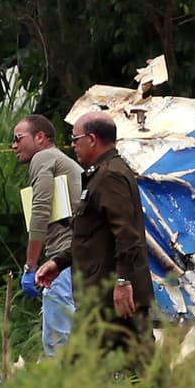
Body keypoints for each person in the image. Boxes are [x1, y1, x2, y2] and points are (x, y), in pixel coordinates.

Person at [35, 112, 153, 362]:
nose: (72, 145)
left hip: (112, 296)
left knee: (83, 368)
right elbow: (91, 236)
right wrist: (59, 262)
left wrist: (122, 282)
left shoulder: (109, 176)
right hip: (104, 295)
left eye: (75, 139)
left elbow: (127, 235)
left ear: (91, 139)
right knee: (143, 368)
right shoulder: (100, 174)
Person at [11, 113, 84, 357]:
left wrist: (30, 266)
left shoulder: (43, 157)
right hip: (78, 254)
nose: (13, 145)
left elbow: (40, 211)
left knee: (57, 340)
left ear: (40, 137)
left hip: (63, 256)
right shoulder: (62, 161)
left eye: (18, 138)